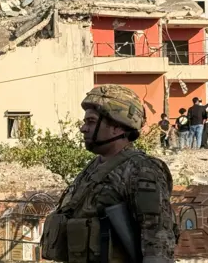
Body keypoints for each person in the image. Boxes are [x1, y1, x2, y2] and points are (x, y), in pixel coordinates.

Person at [41, 84, 177, 263]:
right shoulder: (92, 168)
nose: (83, 128)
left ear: (118, 127)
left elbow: (158, 239)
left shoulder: (142, 169)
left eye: (91, 121)